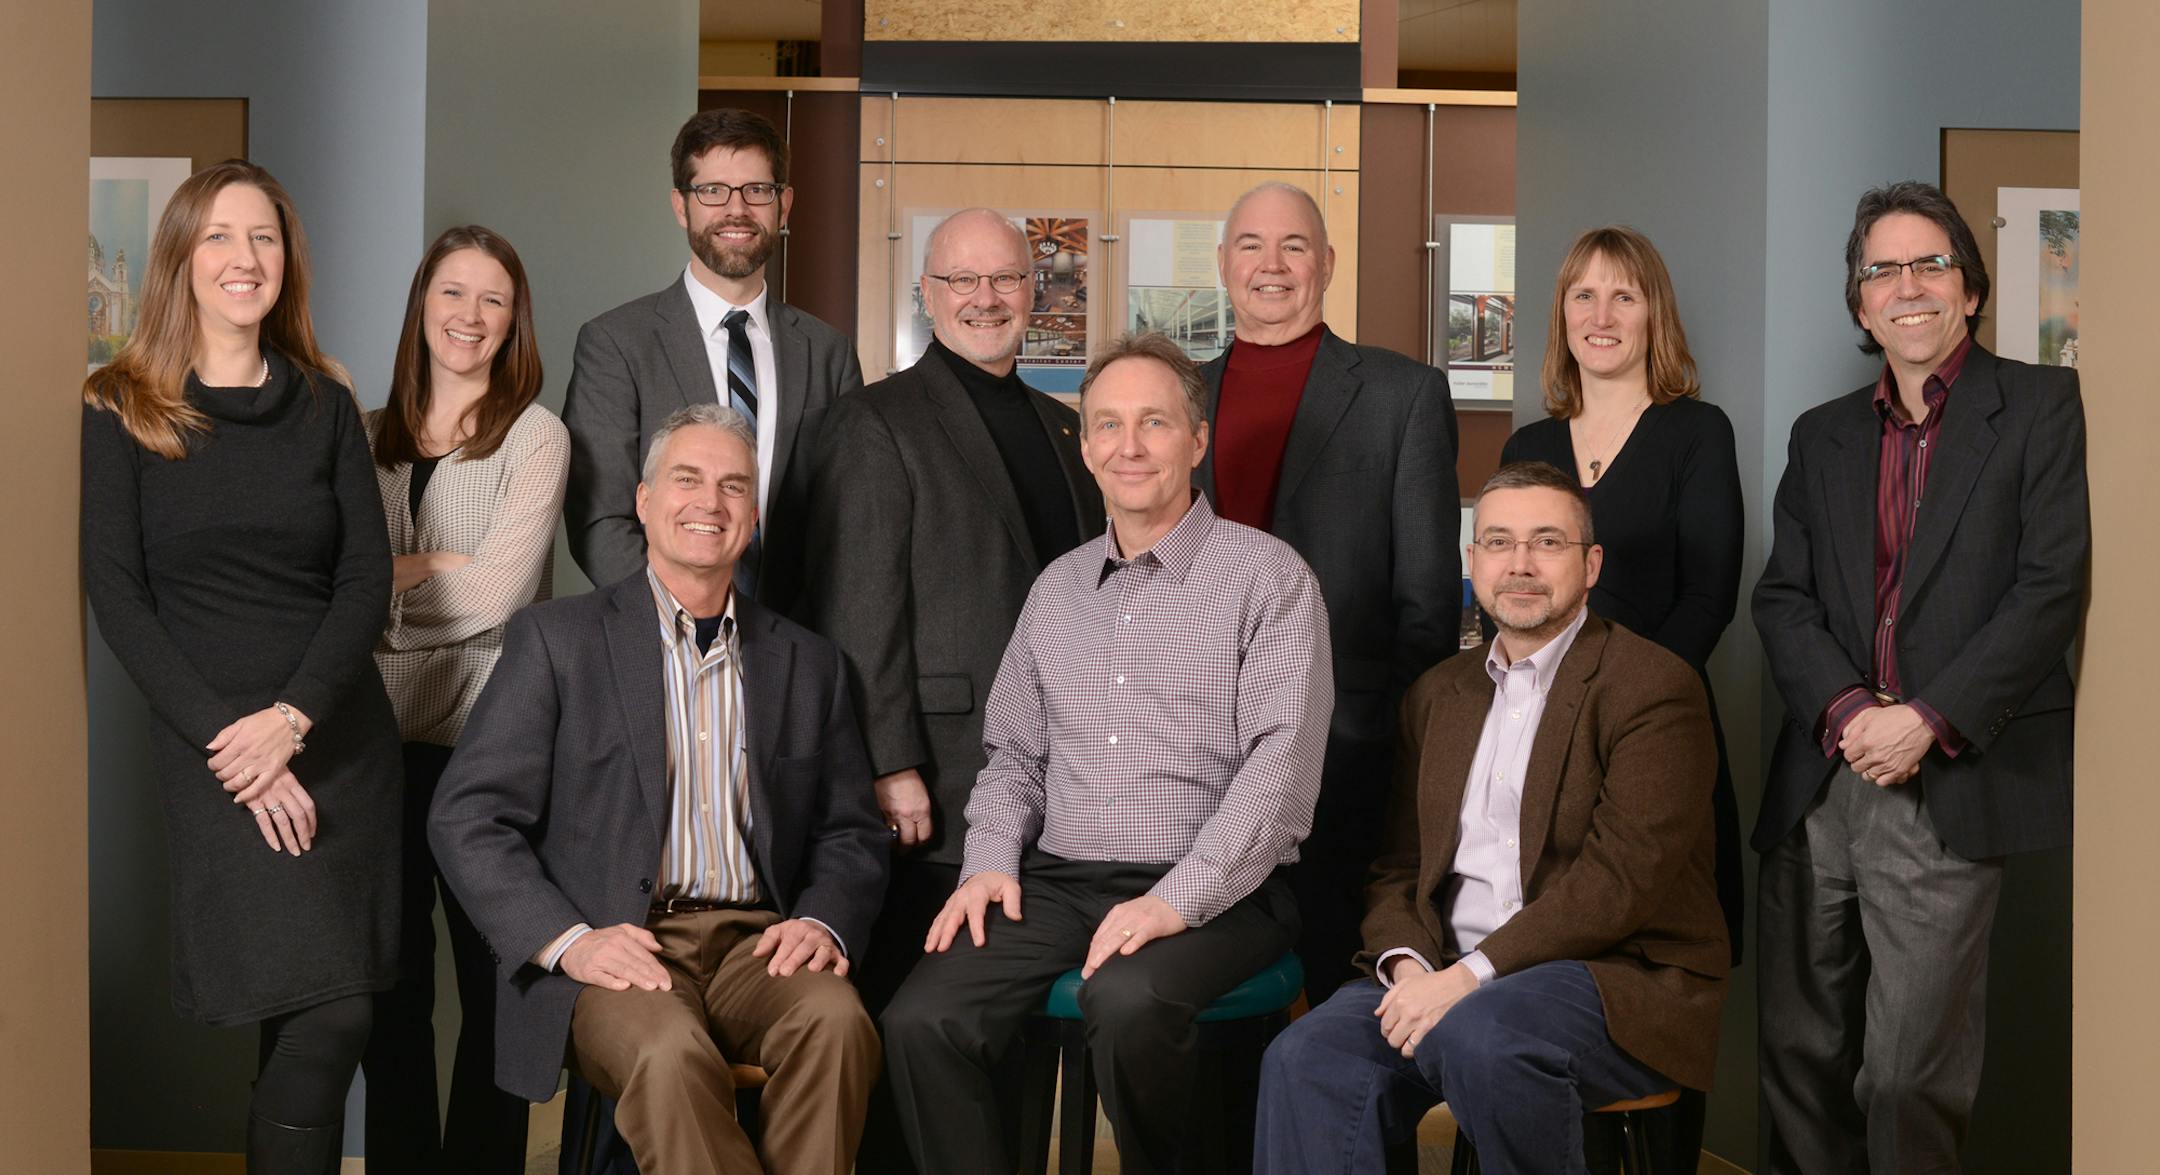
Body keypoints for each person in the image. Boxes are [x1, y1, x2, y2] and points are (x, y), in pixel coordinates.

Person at [881, 332, 1332, 1174]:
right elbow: (1014, 754)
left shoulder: (1269, 579)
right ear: (1086, 447)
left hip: (1225, 887)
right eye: (1108, 425)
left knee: (1127, 1003)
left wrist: (1175, 901)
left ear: (1197, 440)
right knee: (921, 1019)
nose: (1130, 446)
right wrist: (990, 862)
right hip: (1061, 880)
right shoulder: (1057, 589)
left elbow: (1279, 776)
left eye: (1154, 422)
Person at [430, 403, 888, 1174]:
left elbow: (851, 829)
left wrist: (823, 920)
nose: (711, 502)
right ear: (643, 502)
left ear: (753, 515)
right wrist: (571, 941)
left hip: (759, 946)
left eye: (733, 485)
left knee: (840, 1026)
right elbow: (467, 816)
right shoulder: (559, 640)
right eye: (687, 479)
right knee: (670, 1053)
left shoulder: (809, 662)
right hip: (618, 943)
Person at [1254, 460, 1728, 1175]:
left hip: (1613, 976)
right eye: (1499, 542)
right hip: (1446, 970)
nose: (1521, 564)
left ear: (1592, 564)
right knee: (1308, 1055)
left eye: (1548, 542)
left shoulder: (1653, 687)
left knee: (1483, 1037)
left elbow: (1620, 883)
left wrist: (1467, 979)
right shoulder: (1438, 693)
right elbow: (1400, 866)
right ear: (1472, 562)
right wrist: (1410, 967)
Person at [1754, 181, 2088, 1172]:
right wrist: (1851, 710)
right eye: (1882, 270)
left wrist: (1926, 719)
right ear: (1861, 304)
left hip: (1949, 775)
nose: (1907, 286)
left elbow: (2049, 588)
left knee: (1906, 1075)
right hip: (1823, 776)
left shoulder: (2040, 407)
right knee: (1802, 1056)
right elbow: (1783, 598)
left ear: (1969, 289)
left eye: (1930, 264)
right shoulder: (1822, 434)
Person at [80, 159, 401, 1171]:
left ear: (287, 260)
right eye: (219, 235)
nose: (243, 257)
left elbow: (365, 578)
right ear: (181, 256)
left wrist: (292, 719)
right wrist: (239, 745)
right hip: (213, 746)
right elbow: (118, 599)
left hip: (336, 735)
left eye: (263, 236)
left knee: (326, 1006)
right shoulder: (119, 404)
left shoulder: (326, 402)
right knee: (320, 1006)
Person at [803, 208, 1102, 1172]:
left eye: (1006, 278)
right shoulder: (874, 420)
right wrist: (890, 762)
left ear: (1035, 290)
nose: (985, 298)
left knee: (1005, 1044)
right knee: (919, 1038)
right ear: (926, 295)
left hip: (1051, 786)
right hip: (934, 785)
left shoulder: (1066, 427)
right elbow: (856, 608)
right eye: (961, 280)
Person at [1498, 225, 1742, 1168]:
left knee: (1660, 958)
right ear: (1562, 315)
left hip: (1658, 737)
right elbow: (1508, 593)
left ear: (1654, 316)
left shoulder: (1696, 432)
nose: (1602, 315)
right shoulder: (1529, 444)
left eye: (1624, 296)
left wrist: (1621, 712)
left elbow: (1708, 600)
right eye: (1583, 296)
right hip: (1534, 744)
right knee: (1546, 940)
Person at [1196, 181, 1461, 1000]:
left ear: (1329, 263)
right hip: (1197, 749)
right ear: (1223, 263)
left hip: (1347, 753)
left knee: (1338, 984)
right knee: (1208, 985)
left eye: (1294, 246)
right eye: (1251, 245)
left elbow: (1428, 600)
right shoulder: (1176, 395)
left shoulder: (1401, 394)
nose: (1271, 264)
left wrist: (1390, 739)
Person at [358, 225, 567, 1173]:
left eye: (494, 299)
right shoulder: (364, 436)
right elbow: (334, 590)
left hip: (490, 754)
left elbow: (500, 596)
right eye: (453, 292)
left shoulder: (537, 437)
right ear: (423, 305)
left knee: (495, 989)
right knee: (391, 990)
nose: (470, 316)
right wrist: (424, 570)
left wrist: (384, 601)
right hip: (374, 752)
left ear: (514, 320)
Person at [563, 106, 863, 612]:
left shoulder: (829, 354)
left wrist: (790, 639)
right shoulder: (615, 344)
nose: (736, 209)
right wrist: (688, 624)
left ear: (784, 206)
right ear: (681, 206)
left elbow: (848, 523)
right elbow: (599, 521)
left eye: (757, 190)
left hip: (798, 638)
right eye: (713, 191)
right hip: (660, 635)